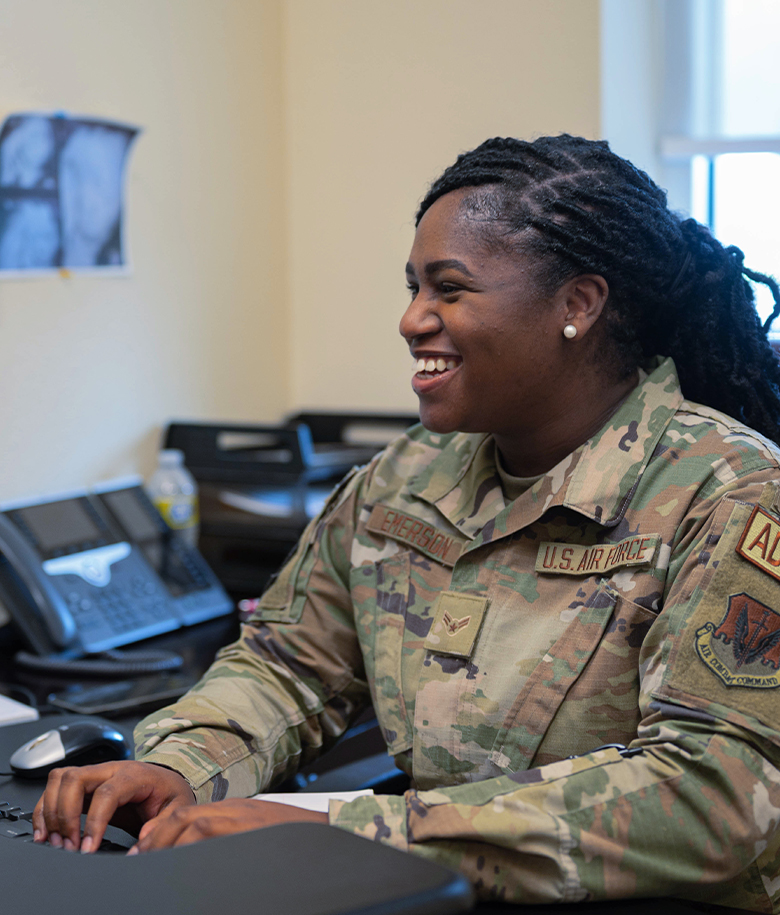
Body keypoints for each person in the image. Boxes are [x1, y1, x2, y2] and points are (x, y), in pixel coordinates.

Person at [33, 135, 780, 909]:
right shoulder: (405, 477)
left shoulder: (729, 489)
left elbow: (714, 793)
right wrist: (179, 765)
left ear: (577, 305)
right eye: (413, 287)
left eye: (449, 289)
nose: (411, 319)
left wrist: (349, 829)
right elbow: (288, 665)